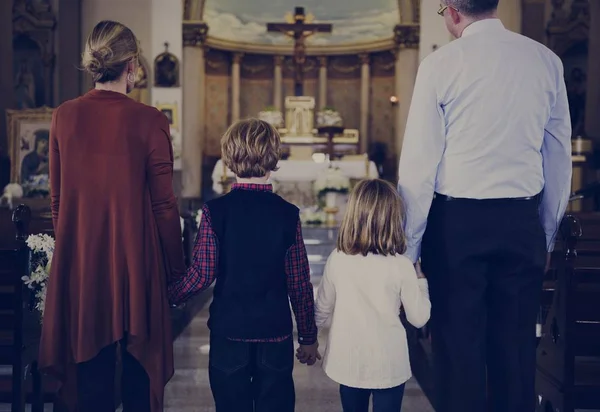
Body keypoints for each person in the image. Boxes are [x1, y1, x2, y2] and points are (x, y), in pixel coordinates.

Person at [397, 1, 572, 411]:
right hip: (521, 220)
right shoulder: (546, 60)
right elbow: (558, 156)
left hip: (456, 225)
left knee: (458, 351)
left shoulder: (441, 65)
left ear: (454, 12)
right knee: (515, 351)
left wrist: (409, 249)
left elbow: (420, 163)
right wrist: (545, 234)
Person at [39, 20, 186, 412]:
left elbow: (58, 202)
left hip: (83, 263)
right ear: (133, 65)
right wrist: (176, 267)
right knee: (139, 372)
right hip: (137, 262)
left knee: (90, 373)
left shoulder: (63, 117)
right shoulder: (150, 119)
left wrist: (73, 251)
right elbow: (164, 206)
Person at [168, 118, 319, 412]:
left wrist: (170, 295)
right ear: (274, 158)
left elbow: (202, 274)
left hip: (229, 330)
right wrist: (308, 337)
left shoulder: (216, 212)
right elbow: (299, 283)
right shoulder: (287, 215)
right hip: (274, 331)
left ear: (229, 159)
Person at [313, 179, 431, 412]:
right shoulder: (402, 265)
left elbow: (322, 308)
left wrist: (310, 340)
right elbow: (419, 318)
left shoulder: (338, 259)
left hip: (347, 360)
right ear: (394, 218)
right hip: (388, 363)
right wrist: (421, 282)